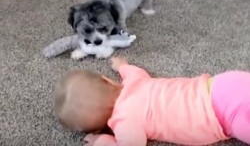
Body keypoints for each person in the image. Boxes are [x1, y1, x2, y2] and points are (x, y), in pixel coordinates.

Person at [54, 57, 250, 146]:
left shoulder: (125, 123)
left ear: (98, 128)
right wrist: (122, 65)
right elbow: (133, 71)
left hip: (222, 115)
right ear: (106, 80)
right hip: (220, 83)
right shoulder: (135, 81)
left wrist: (101, 141)